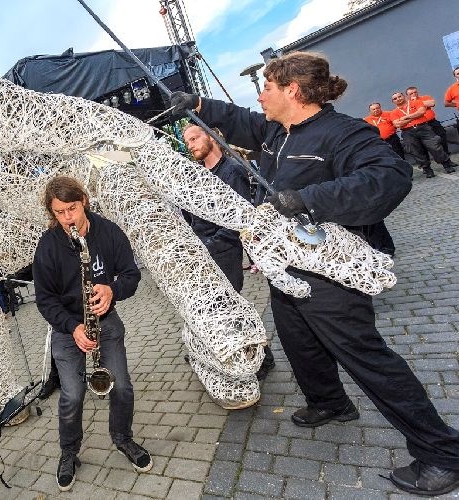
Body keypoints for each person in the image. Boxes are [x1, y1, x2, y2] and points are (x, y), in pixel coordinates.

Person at [170, 51, 459, 496]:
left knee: (368, 360)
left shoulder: (344, 133)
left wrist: (308, 199)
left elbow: (391, 177)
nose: (260, 95)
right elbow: (239, 119)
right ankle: (329, 402)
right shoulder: (275, 130)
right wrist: (199, 104)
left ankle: (441, 453)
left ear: (293, 90)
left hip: (328, 273)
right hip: (287, 267)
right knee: (299, 342)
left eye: (267, 87)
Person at [33, 176, 153, 492]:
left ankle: (123, 438)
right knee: (72, 395)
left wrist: (112, 290)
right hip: (67, 328)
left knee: (122, 386)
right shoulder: (48, 246)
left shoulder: (108, 232)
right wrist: (72, 327)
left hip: (105, 321)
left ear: (83, 201)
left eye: (72, 209)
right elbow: (45, 300)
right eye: (59, 212)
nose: (67, 218)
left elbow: (131, 275)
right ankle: (69, 453)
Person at [181, 124, 276, 380]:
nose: (191, 145)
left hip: (224, 250)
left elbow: (237, 220)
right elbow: (191, 211)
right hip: (203, 250)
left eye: (194, 138)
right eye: (187, 142)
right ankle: (215, 350)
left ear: (212, 137)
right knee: (215, 308)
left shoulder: (231, 170)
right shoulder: (199, 174)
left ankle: (263, 358)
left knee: (229, 307)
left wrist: (209, 246)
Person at [390, 91, 456, 178]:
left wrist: (405, 117)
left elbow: (421, 112)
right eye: (395, 98)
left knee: (434, 146)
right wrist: (414, 117)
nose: (398, 99)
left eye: (399, 96)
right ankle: (427, 169)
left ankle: (446, 164)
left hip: (423, 128)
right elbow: (397, 124)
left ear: (404, 96)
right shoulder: (394, 112)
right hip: (407, 132)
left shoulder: (416, 102)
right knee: (415, 151)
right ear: (393, 102)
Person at [406, 86, 449, 155]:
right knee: (425, 144)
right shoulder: (407, 105)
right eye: (411, 93)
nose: (414, 94)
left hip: (432, 122)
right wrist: (421, 103)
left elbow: (432, 103)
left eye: (415, 92)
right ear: (407, 96)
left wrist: (416, 102)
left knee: (442, 137)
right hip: (421, 126)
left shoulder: (425, 97)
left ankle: (446, 155)